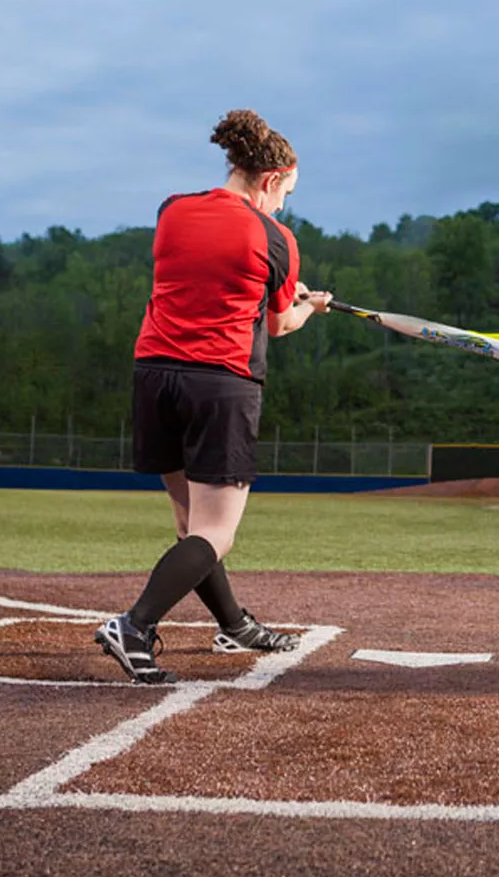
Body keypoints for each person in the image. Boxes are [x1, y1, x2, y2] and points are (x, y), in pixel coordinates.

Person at [95, 109, 332, 684]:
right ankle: (134, 625)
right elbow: (278, 324)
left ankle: (234, 625)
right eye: (286, 194)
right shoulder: (277, 238)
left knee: (189, 523)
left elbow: (212, 275)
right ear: (270, 179)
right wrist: (308, 305)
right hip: (220, 382)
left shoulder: (171, 210)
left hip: (155, 375)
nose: (284, 206)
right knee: (215, 532)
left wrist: (276, 290)